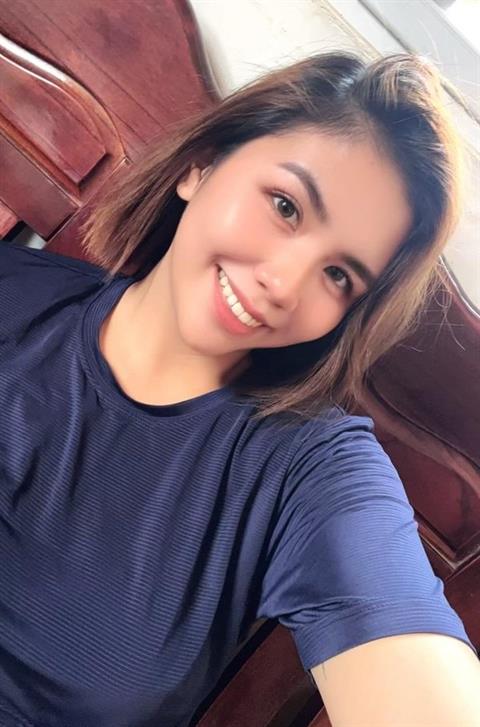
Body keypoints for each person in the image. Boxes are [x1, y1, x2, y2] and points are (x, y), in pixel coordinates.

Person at [0, 50, 478, 727]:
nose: (283, 283)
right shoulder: (14, 294)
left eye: (338, 275)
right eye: (286, 206)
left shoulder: (310, 473)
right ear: (202, 165)